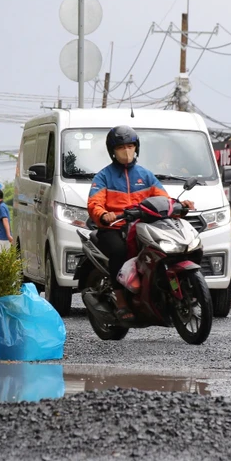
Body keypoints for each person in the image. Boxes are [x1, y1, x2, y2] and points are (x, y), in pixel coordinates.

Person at [87, 125, 194, 321]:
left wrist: (179, 205)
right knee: (119, 252)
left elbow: (163, 199)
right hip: (115, 227)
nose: (126, 151)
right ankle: (120, 301)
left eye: (130, 146)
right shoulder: (103, 177)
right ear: (112, 151)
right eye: (121, 147)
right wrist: (104, 215)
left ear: (136, 148)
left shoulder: (146, 175)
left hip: (142, 225)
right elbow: (94, 203)